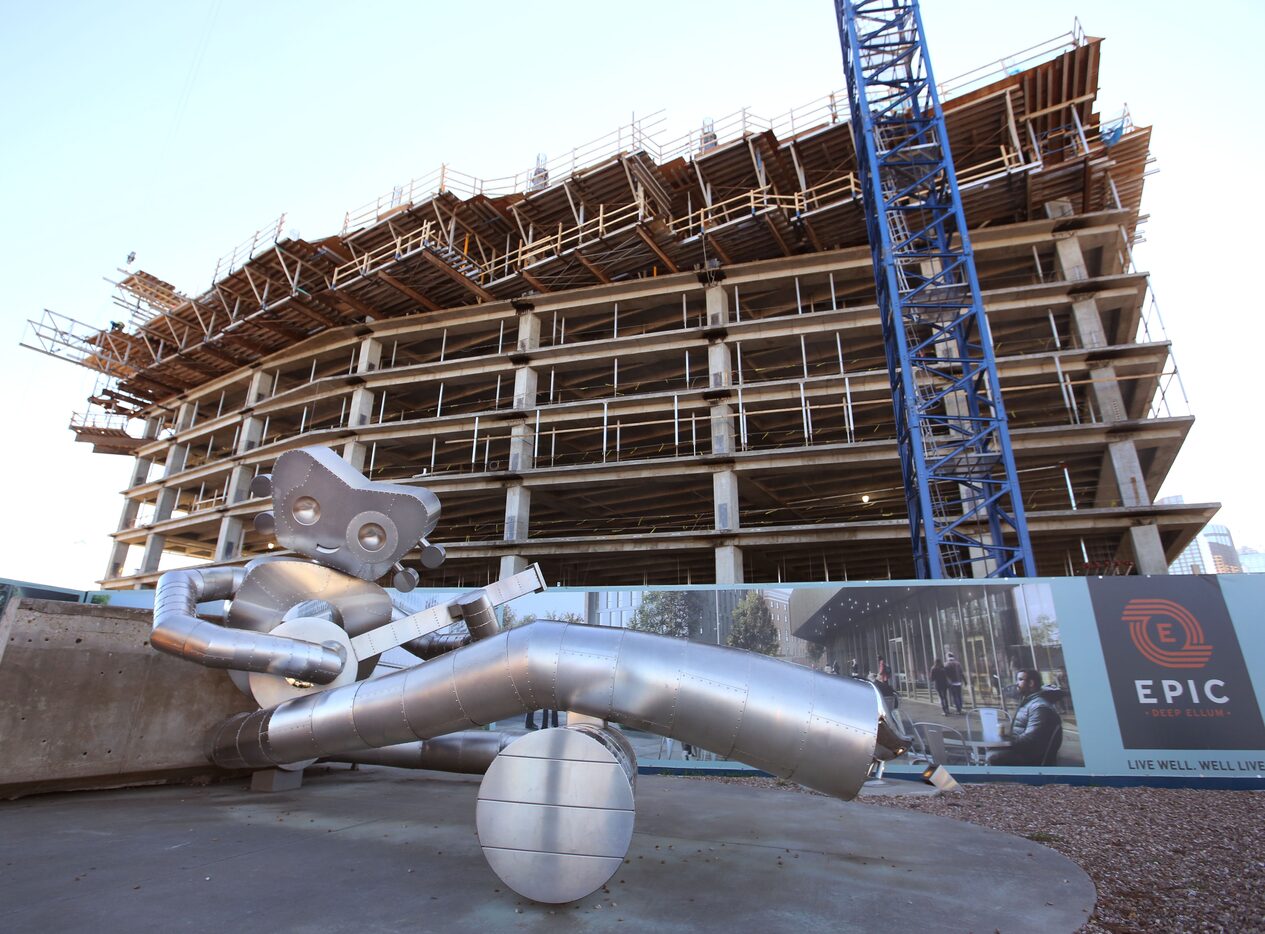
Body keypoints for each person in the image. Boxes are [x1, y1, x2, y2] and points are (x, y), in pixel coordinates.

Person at [987, 669, 1063, 767]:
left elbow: (1030, 739)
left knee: (993, 755)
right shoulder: (1030, 702)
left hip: (1031, 757)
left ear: (1031, 683)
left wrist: (1004, 743)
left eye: (1020, 679)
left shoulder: (1039, 707)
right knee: (990, 750)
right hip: (1025, 750)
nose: (1017, 683)